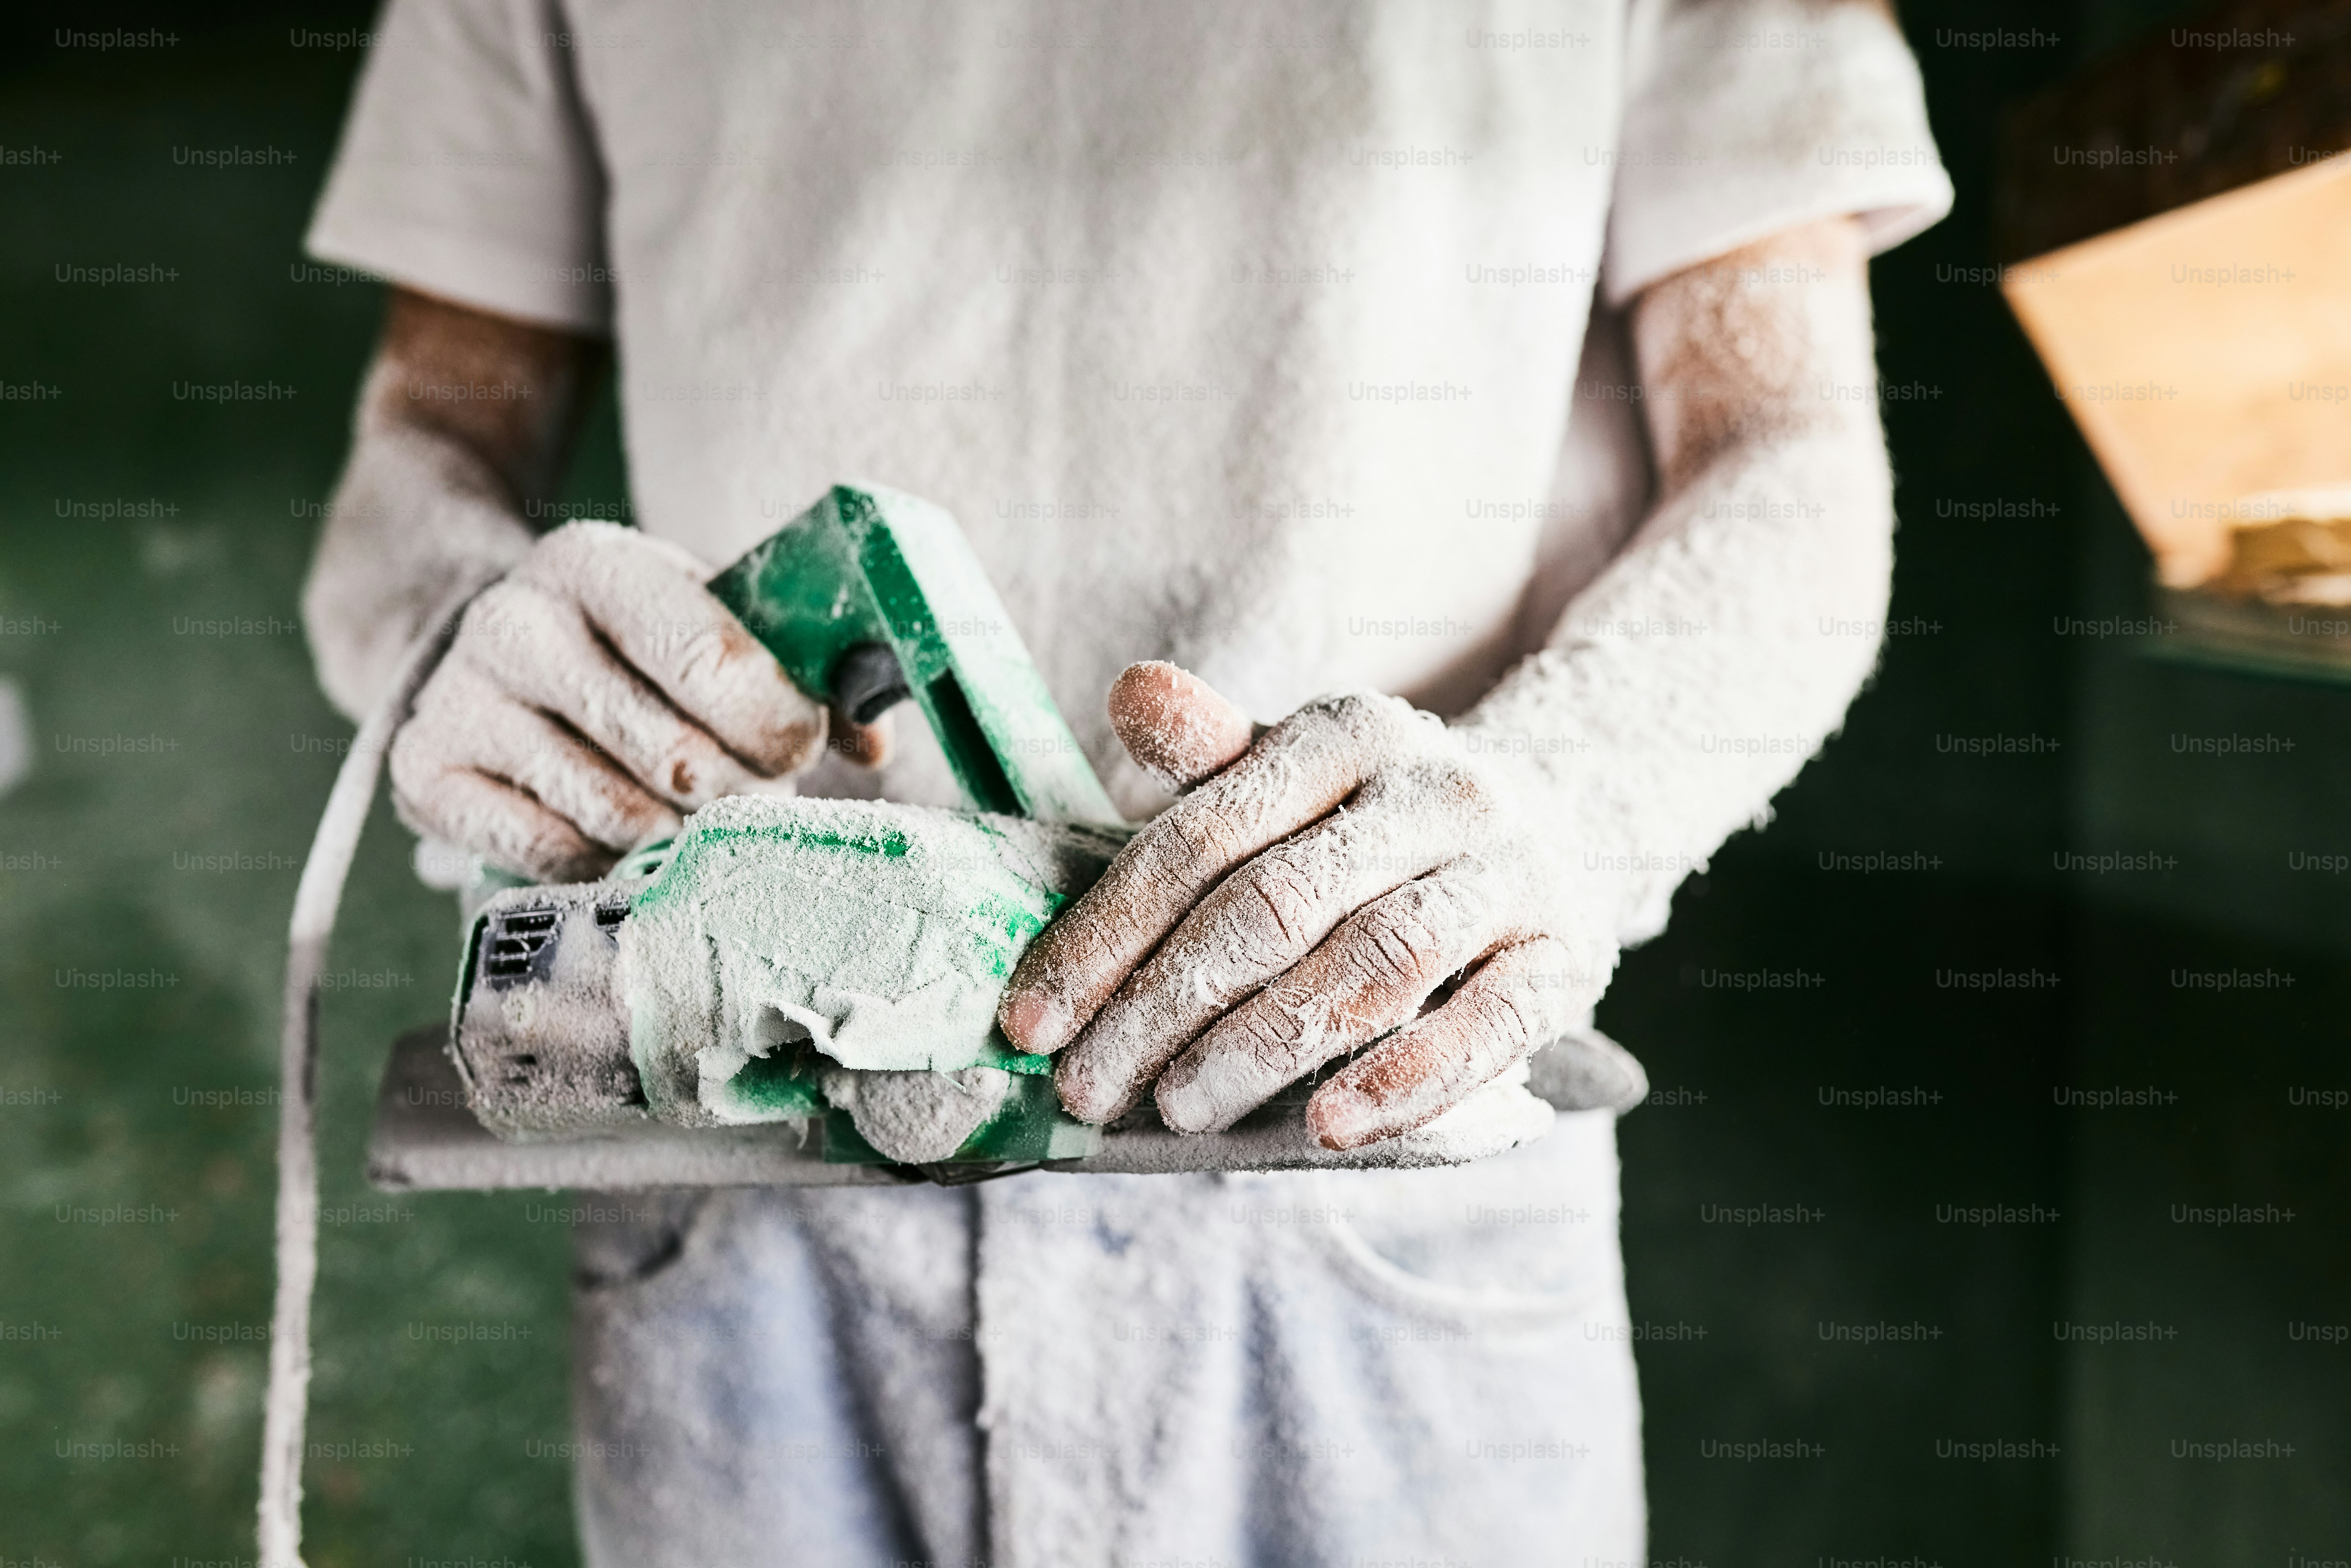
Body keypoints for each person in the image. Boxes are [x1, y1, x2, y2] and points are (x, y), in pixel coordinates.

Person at [300, 1, 1950, 1562]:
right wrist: (448, 624)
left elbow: (1784, 459)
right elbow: (426, 440)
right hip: (757, 1157)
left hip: (1367, 1126)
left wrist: (1564, 807)